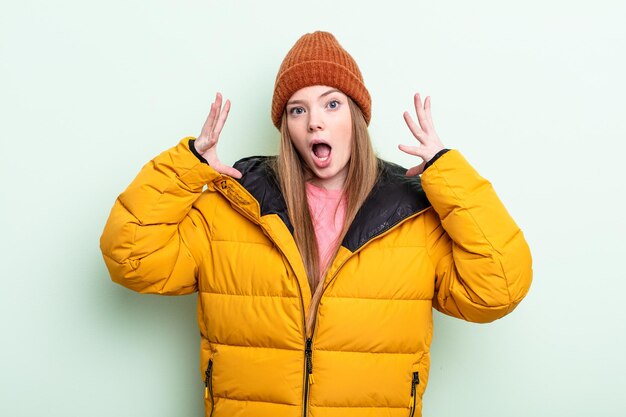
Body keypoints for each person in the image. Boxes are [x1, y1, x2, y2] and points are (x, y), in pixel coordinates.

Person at [100, 31, 532, 417]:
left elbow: (499, 288)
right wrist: (186, 167)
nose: (315, 122)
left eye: (331, 103)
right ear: (287, 128)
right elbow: (131, 258)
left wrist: (445, 173)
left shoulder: (412, 217)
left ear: (356, 118)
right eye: (297, 109)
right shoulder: (231, 208)